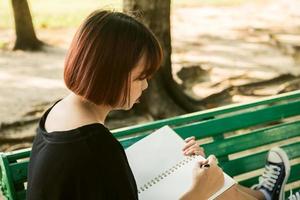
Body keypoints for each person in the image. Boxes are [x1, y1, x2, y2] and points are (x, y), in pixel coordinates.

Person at [26, 10, 290, 200]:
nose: (146, 86)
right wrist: (198, 193)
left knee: (200, 171)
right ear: (110, 73)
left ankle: (262, 196)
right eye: (140, 77)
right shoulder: (94, 147)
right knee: (211, 186)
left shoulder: (60, 112)